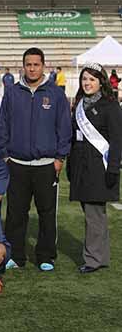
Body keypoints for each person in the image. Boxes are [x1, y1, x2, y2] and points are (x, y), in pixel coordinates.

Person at [0, 47, 71, 271]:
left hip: (46, 164)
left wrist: (60, 157)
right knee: (15, 213)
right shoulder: (12, 92)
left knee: (47, 213)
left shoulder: (55, 93)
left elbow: (64, 128)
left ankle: (46, 256)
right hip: (16, 163)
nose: (32, 68)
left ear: (43, 66)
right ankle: (16, 255)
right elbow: (3, 125)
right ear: (23, 66)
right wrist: (5, 155)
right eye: (28, 64)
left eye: (36, 64)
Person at [67, 63, 122, 273]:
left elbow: (117, 140)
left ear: (101, 82)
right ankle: (101, 256)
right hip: (81, 166)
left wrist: (114, 168)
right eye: (84, 79)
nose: (87, 83)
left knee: (94, 215)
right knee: (94, 214)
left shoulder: (110, 105)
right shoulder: (80, 103)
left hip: (100, 167)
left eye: (92, 79)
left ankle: (93, 259)